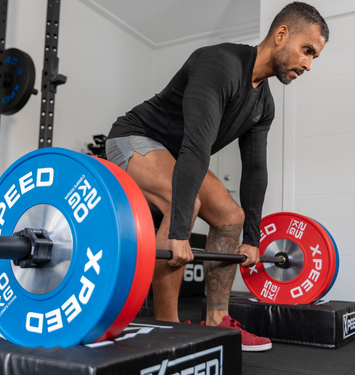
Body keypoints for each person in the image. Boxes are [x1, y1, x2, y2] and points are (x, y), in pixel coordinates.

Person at [106, 2, 329, 352]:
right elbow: (196, 146)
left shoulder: (263, 105)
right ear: (281, 34)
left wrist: (252, 238)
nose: (308, 64)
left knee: (231, 216)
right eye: (307, 51)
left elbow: (255, 170)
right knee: (185, 202)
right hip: (133, 138)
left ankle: (218, 320)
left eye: (314, 57)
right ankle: (168, 329)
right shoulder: (218, 63)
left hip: (177, 153)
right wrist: (179, 231)